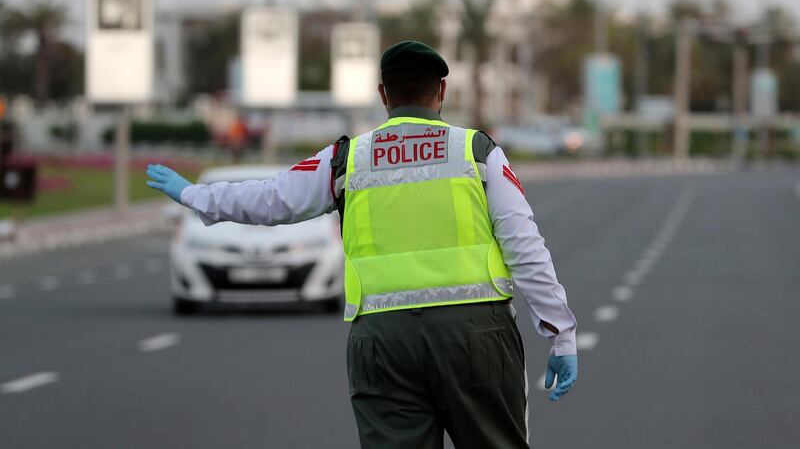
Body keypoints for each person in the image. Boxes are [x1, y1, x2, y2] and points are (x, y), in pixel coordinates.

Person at [146, 41, 578, 448]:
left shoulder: (348, 158)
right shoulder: (477, 152)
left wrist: (195, 195)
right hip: (476, 337)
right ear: (441, 90)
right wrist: (560, 334)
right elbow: (526, 247)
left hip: (382, 344)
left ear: (382, 93)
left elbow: (272, 198)